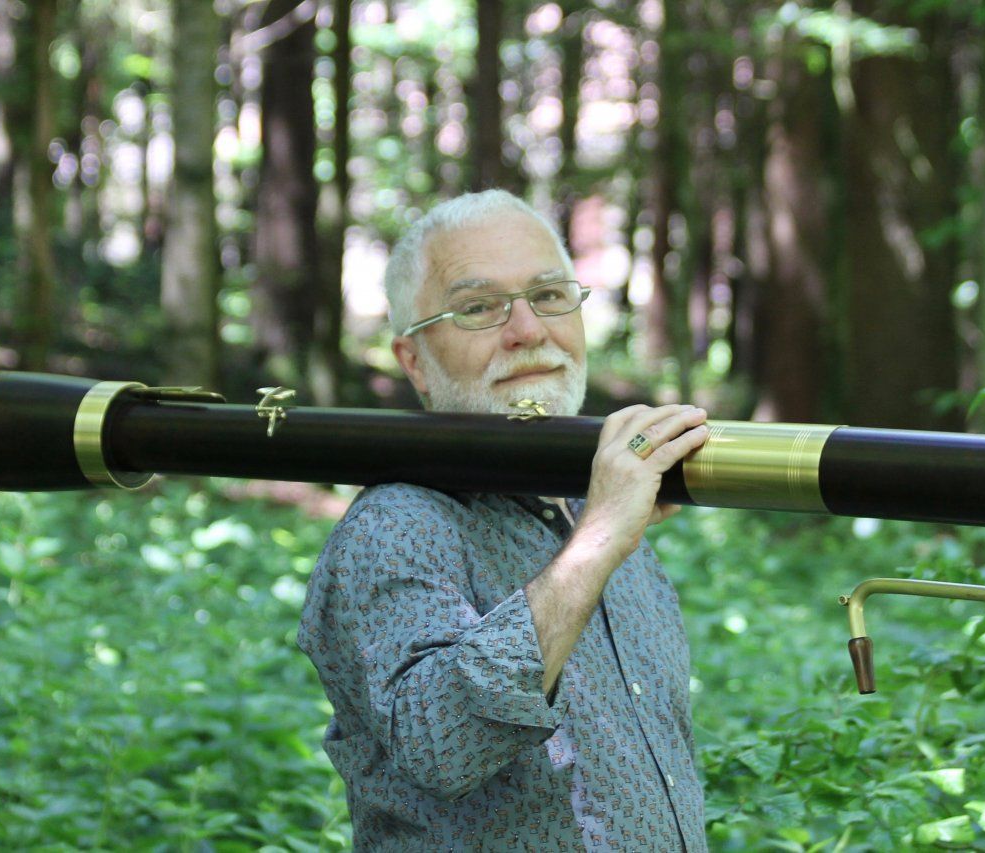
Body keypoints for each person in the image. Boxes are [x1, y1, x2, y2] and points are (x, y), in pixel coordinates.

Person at [297, 190, 711, 850]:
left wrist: (600, 524)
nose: (528, 330)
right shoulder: (395, 525)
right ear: (414, 361)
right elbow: (441, 747)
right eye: (480, 307)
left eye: (549, 296)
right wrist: (600, 540)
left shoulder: (590, 510)